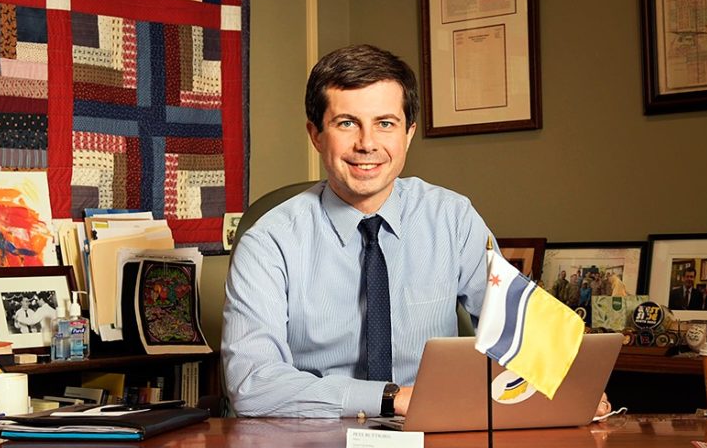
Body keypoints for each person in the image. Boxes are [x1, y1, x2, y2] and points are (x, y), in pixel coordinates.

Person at [222, 44, 607, 419]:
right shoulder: (268, 242)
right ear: (316, 135)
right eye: (346, 123)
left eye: (385, 124)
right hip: (313, 443)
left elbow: (519, 329)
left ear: (408, 133)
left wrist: (574, 381)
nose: (367, 144)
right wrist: (393, 398)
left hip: (434, 433)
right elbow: (252, 384)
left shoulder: (452, 218)